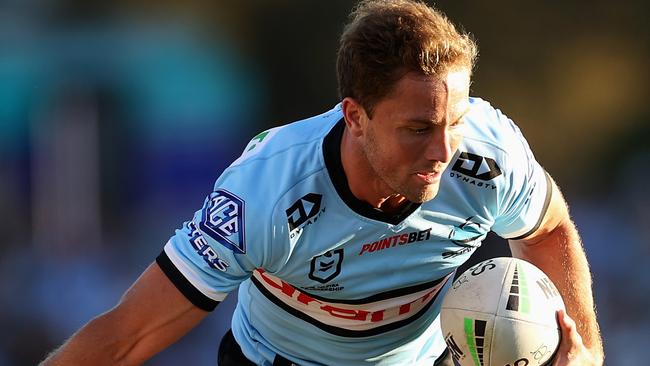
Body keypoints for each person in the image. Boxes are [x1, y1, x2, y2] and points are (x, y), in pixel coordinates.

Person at [41, 1, 604, 365]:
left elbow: (549, 229)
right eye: (417, 129)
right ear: (354, 117)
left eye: (455, 121)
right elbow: (128, 336)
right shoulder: (263, 193)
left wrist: (588, 356)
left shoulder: (489, 154)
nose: (443, 150)